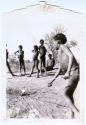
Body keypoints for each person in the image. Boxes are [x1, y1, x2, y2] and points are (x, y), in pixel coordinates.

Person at [48, 33, 79, 118]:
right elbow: (59, 69)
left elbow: (71, 56)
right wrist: (51, 80)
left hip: (74, 72)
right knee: (69, 95)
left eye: (53, 42)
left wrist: (68, 71)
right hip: (73, 73)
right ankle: (72, 117)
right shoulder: (58, 54)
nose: (53, 44)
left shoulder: (62, 46)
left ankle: (78, 113)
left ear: (58, 42)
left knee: (65, 93)